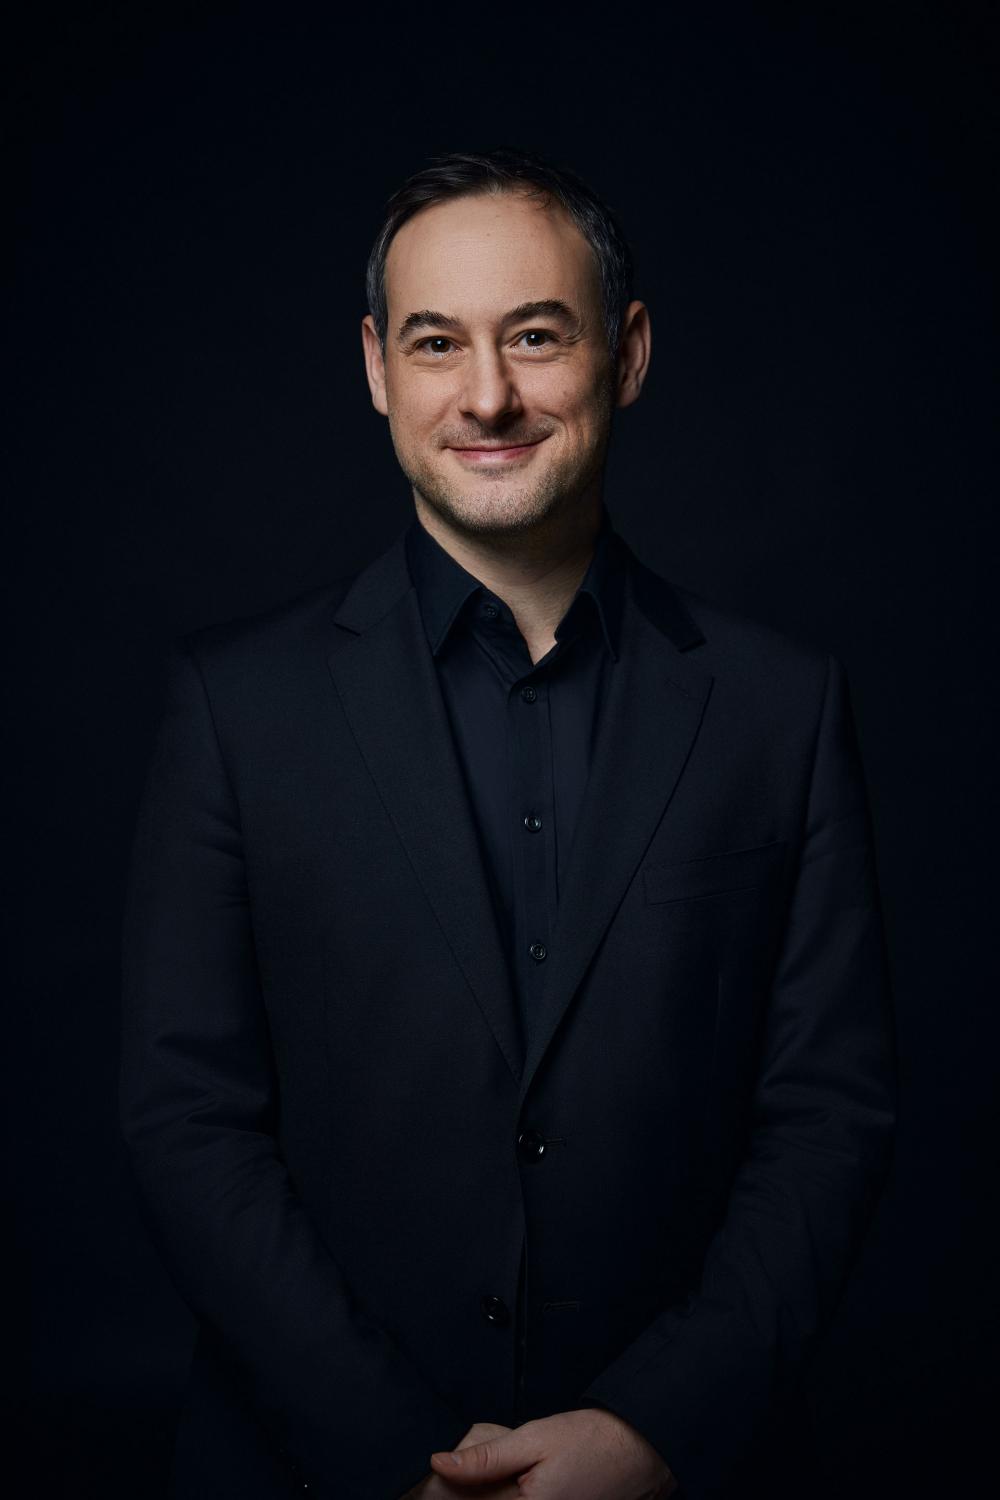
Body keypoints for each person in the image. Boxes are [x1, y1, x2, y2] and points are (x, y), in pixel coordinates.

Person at [119, 147, 897, 1500]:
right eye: (437, 343)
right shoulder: (234, 711)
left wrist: (656, 1428)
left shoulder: (782, 707)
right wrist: (396, 1457)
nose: (488, 395)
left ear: (629, 351)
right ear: (377, 368)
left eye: (535, 336)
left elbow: (829, 1113)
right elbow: (188, 1121)